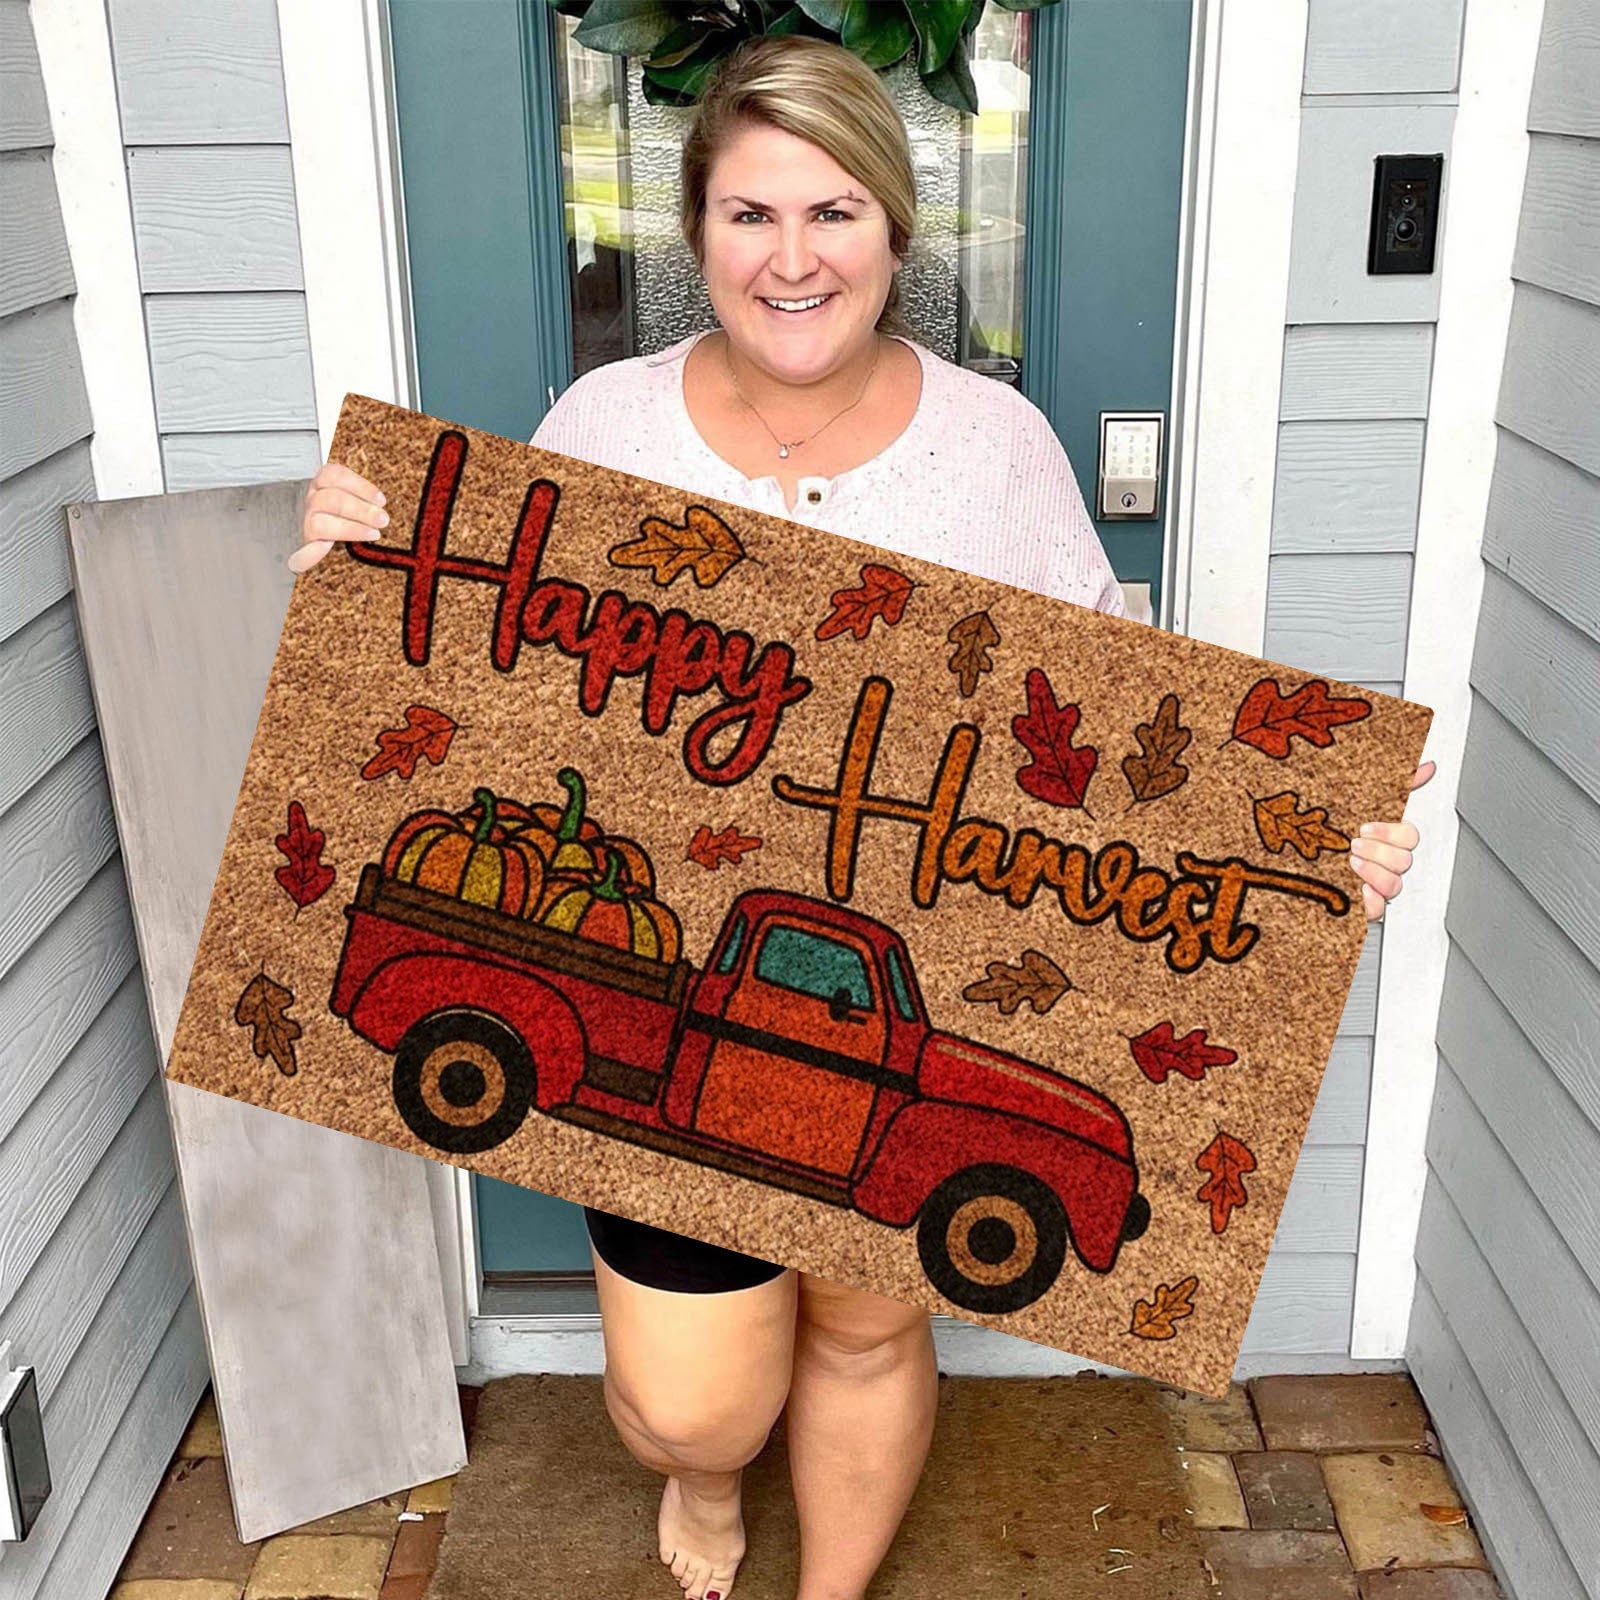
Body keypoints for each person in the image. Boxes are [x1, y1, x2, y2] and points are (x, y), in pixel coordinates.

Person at [292, 35, 1434, 1600]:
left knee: (875, 1311)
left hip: (899, 993)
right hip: (686, 1002)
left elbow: (1127, 738)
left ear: (897, 233)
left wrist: (1305, 852)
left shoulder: (995, 449)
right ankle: (704, 1487)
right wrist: (356, 579)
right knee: (697, 1402)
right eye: (753, 215)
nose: (794, 257)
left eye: (835, 213)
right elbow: (482, 684)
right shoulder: (603, 428)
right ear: (694, 236)